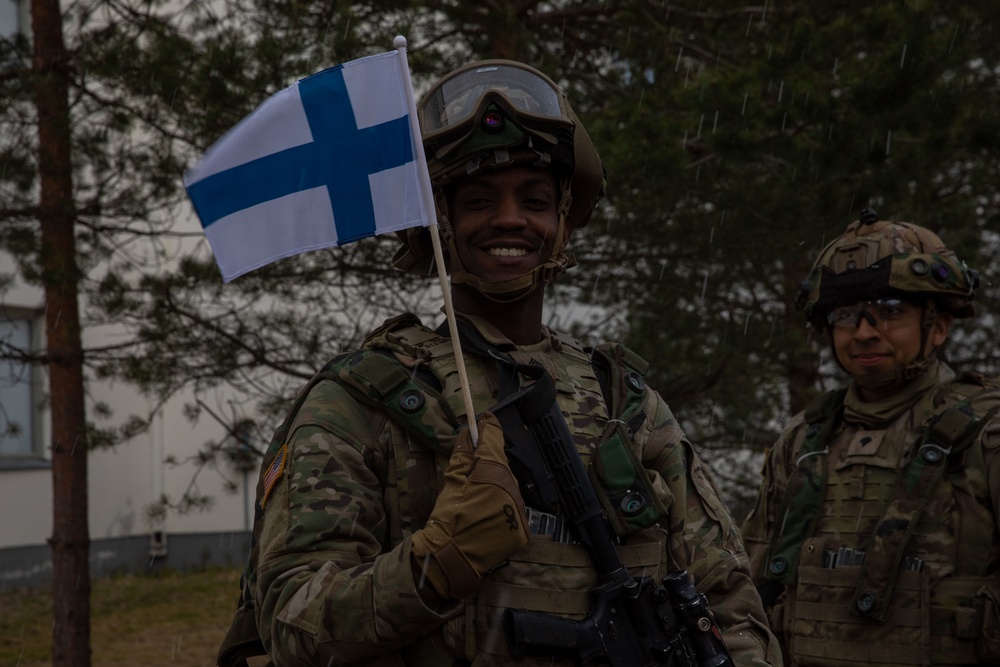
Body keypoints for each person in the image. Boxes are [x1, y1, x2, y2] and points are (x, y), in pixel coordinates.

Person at [220, 59, 779, 667]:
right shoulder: (360, 400)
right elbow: (290, 627)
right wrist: (434, 566)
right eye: (480, 200)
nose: (509, 219)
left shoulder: (627, 403)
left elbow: (729, 604)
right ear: (444, 224)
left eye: (534, 200)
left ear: (562, 223)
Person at [740, 209, 1000, 666]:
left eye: (890, 311)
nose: (864, 332)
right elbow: (746, 588)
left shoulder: (987, 432)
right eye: (847, 315)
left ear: (938, 326)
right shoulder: (802, 441)